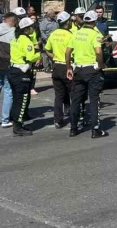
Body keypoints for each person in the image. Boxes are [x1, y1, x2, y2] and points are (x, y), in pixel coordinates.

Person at [66, 10, 108, 138]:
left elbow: (68, 52)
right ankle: (95, 130)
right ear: (94, 21)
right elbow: (99, 52)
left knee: (76, 100)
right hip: (92, 69)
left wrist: (68, 67)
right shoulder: (95, 34)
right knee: (94, 100)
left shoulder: (77, 33)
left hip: (78, 69)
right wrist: (101, 65)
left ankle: (73, 128)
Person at [7, 17, 40, 136]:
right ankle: (18, 126)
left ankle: (16, 122)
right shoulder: (26, 41)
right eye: (32, 27)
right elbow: (30, 57)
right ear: (26, 29)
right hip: (21, 72)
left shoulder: (16, 38)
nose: (33, 28)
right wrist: (39, 55)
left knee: (17, 99)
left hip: (13, 70)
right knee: (22, 100)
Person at [45, 11, 74, 129]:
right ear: (67, 23)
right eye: (70, 21)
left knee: (59, 96)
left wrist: (55, 57)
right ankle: (75, 117)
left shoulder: (53, 34)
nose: (72, 22)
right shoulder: (71, 35)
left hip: (56, 66)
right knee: (74, 94)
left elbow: (47, 50)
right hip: (67, 66)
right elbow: (73, 52)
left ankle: (58, 120)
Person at [39, 8, 58, 72]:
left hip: (55, 40)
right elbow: (42, 32)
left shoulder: (55, 21)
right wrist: (47, 40)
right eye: (53, 14)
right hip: (46, 41)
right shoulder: (44, 22)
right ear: (49, 15)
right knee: (46, 54)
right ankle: (46, 67)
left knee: (54, 53)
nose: (54, 15)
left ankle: (53, 66)